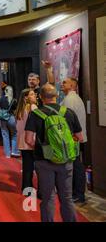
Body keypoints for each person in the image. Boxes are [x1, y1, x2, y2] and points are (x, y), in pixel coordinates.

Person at [25, 83, 83, 222]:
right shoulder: (68, 112)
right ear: (56, 96)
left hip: (43, 160)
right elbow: (79, 137)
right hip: (66, 161)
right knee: (67, 198)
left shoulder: (35, 114)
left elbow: (28, 139)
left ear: (40, 97)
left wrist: (42, 148)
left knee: (48, 198)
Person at [60, 78, 87, 203]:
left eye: (64, 82)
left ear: (72, 85)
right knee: (75, 165)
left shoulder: (70, 100)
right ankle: (77, 193)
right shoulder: (72, 98)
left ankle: (78, 194)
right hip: (75, 138)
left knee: (75, 166)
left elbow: (67, 121)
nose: (62, 83)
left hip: (73, 139)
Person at [15, 88, 38, 193]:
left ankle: (26, 188)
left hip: (22, 141)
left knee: (27, 166)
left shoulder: (20, 109)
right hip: (31, 140)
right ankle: (31, 188)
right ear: (26, 97)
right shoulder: (32, 107)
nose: (35, 96)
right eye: (32, 94)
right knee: (35, 166)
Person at [0, 85, 19, 158]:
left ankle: (7, 154)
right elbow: (15, 111)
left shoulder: (1, 99)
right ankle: (14, 151)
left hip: (2, 118)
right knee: (14, 134)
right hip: (11, 118)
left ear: (5, 91)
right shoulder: (14, 100)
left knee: (5, 135)